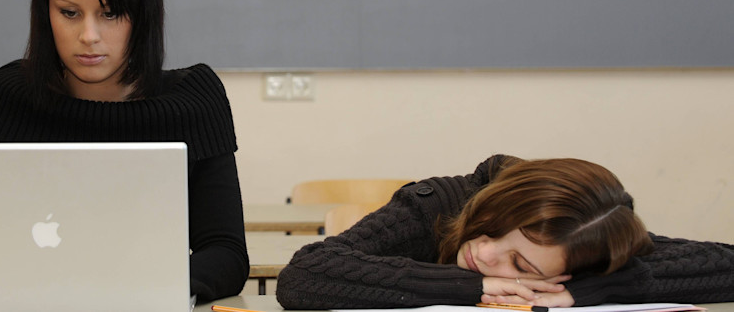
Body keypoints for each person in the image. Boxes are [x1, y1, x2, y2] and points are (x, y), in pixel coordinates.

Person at [0, 0, 248, 301]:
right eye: (69, 13)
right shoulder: (5, 98)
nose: (88, 36)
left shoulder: (194, 103)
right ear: (45, 13)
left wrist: (138, 293)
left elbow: (224, 252)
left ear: (142, 14)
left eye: (110, 14)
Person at [276, 155, 734, 309]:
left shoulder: (584, 233)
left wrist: (594, 290)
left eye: (522, 265)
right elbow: (305, 274)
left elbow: (725, 263)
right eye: (491, 228)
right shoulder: (438, 205)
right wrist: (471, 286)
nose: (487, 252)